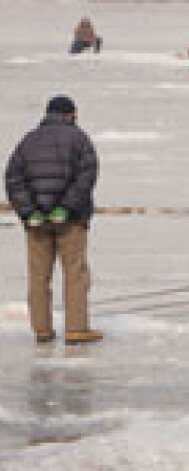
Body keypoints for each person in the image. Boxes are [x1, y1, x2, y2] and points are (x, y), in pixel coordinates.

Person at [4, 96, 102, 345]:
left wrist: (29, 211)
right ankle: (76, 329)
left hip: (37, 223)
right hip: (71, 220)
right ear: (70, 114)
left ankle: (42, 330)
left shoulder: (28, 141)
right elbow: (87, 176)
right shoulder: (79, 138)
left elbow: (13, 178)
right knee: (75, 273)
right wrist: (66, 207)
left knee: (38, 276)